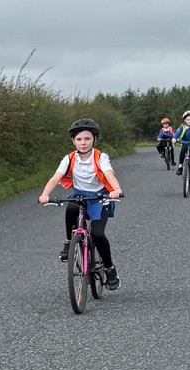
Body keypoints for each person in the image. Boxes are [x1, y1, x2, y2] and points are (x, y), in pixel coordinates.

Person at [37, 118, 125, 290]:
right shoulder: (69, 158)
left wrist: (116, 189)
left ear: (94, 140)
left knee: (98, 235)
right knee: (70, 207)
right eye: (79, 139)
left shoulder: (101, 157)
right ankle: (70, 241)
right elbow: (55, 177)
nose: (83, 143)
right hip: (79, 195)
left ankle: (109, 268)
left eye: (87, 139)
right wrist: (45, 194)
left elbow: (109, 174)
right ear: (73, 141)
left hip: (100, 197)